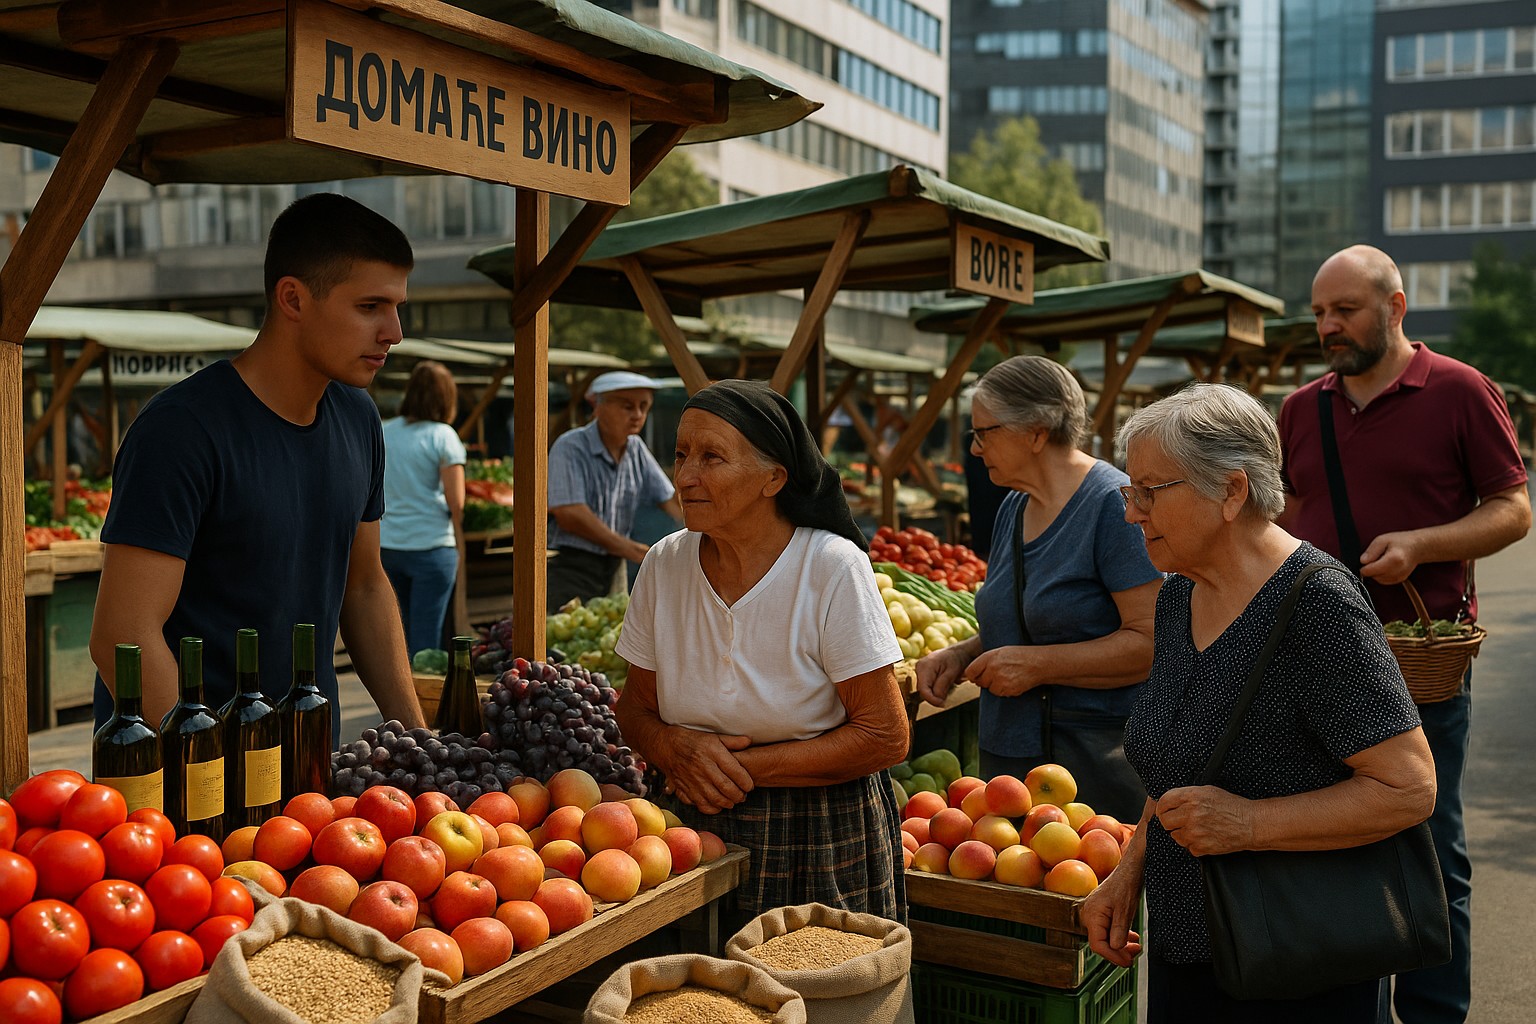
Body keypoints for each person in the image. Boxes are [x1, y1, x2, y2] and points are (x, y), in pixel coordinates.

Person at [1085, 382, 1437, 1023]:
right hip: (1188, 952)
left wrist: (1250, 825)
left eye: (1150, 492)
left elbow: (1409, 787)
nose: (1132, 512)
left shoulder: (1320, 606)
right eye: (1128, 491)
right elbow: (1180, 761)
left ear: (1231, 490)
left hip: (1297, 961)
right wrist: (1132, 865)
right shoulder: (1177, 596)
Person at [1277, 245, 1530, 1024]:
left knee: (1429, 845)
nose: (1327, 326)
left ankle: (1431, 1013)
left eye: (1344, 310)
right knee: (1331, 843)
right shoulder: (1300, 408)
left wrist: (1423, 543)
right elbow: (1282, 518)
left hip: (1418, 662)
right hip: (1313, 661)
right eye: (1319, 312)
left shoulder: (1459, 390)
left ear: (1395, 307)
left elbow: (1513, 509)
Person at [89, 192, 426, 735]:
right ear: (292, 298)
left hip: (306, 771)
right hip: (179, 783)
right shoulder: (181, 430)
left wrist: (418, 741)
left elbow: (363, 586)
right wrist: (213, 772)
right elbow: (122, 636)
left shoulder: (358, 418)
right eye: (370, 307)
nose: (394, 332)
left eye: (396, 308)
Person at [613, 380, 910, 921]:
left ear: (773, 478)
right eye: (680, 455)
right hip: (690, 824)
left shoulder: (829, 567)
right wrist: (669, 746)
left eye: (711, 458)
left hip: (818, 825)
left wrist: (730, 769)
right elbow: (633, 709)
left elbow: (884, 735)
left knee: (821, 996)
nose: (684, 477)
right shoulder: (664, 564)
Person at [914, 356, 1162, 821]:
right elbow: (1029, 621)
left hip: (1089, 773)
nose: (974, 449)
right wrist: (961, 655)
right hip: (1010, 769)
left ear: (1036, 431)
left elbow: (1151, 641)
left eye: (983, 433)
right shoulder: (1014, 506)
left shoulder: (1112, 505)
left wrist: (1037, 667)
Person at [546, 370, 682, 613]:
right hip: (570, 567)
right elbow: (570, 514)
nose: (637, 415)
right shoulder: (571, 446)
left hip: (614, 566)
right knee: (566, 639)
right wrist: (635, 550)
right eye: (627, 406)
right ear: (596, 405)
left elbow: (670, 501)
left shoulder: (635, 448)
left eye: (644, 406)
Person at [381, 360, 466, 658]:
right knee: (426, 640)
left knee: (395, 636)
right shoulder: (443, 436)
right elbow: (457, 502)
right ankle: (422, 704)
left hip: (387, 545)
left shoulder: (383, 431)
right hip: (431, 547)